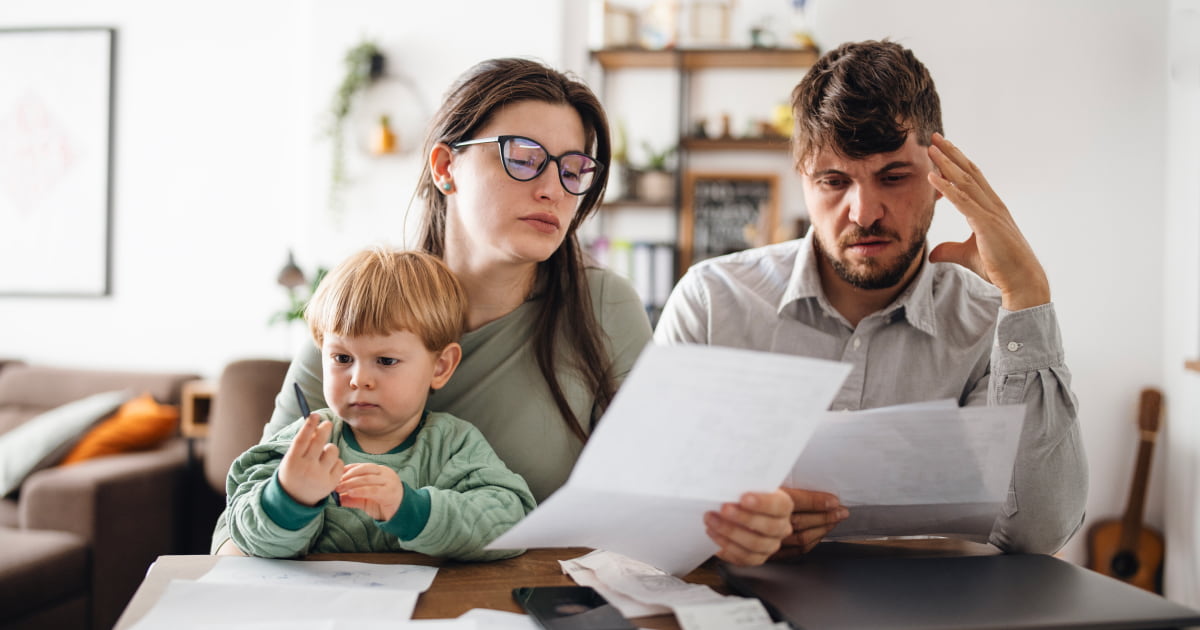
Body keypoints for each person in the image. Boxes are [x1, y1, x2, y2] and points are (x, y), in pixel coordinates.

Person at [213, 57, 793, 565]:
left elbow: (662, 501)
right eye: (523, 157)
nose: (553, 190)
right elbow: (238, 530)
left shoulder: (604, 307)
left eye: (573, 170)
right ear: (445, 167)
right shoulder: (361, 311)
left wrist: (739, 522)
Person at [655, 40, 1087, 556]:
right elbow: (651, 502)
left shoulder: (993, 325)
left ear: (941, 178)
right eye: (834, 181)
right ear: (803, 184)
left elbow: (1037, 535)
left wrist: (1028, 295)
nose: (864, 212)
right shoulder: (711, 302)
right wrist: (731, 529)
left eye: (894, 176)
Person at [225, 248, 536, 560]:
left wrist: (410, 509)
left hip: (424, 606)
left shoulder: (452, 445)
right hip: (317, 606)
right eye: (342, 358)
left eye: (386, 360)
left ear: (440, 367)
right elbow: (241, 530)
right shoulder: (303, 443)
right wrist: (289, 497)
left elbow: (511, 524)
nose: (359, 379)